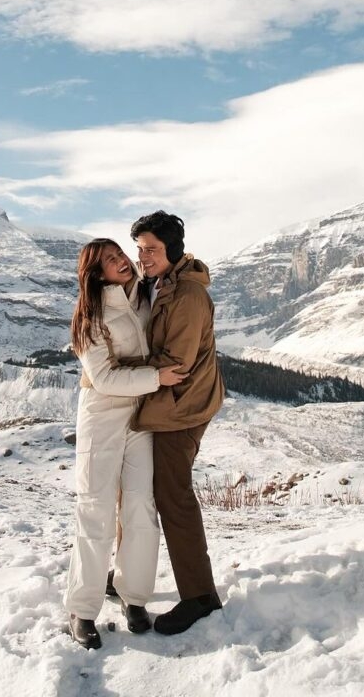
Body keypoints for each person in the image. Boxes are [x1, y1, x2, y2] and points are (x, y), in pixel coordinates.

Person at [65, 238, 188, 650]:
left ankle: (133, 597)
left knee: (140, 507)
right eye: (111, 261)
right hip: (102, 416)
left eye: (121, 254)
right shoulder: (89, 316)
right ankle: (82, 611)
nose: (122, 261)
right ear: (97, 274)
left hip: (141, 417)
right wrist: (158, 378)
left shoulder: (143, 297)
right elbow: (104, 379)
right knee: (96, 509)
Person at [129, 211, 225, 635]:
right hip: (173, 404)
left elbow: (177, 362)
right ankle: (129, 575)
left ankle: (200, 596)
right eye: (138, 249)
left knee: (173, 495)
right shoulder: (164, 282)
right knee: (148, 489)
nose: (142, 257)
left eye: (149, 249)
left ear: (172, 249)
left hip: (181, 408)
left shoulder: (186, 295)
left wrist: (119, 370)